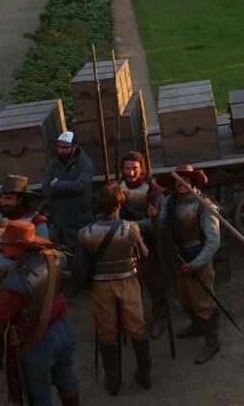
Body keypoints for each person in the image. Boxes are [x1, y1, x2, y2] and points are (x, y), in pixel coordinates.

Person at [0, 220, 79, 406]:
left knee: (38, 394)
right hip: (63, 328)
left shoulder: (16, 283)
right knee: (66, 380)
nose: (1, 247)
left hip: (38, 340)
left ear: (20, 247)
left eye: (6, 244)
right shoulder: (54, 257)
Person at [0, 174, 49, 381]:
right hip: (1, 278)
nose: (3, 202)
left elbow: (41, 255)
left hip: (29, 279)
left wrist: (9, 267)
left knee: (31, 323)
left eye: (9, 198)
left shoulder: (37, 222)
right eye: (2, 198)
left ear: (20, 199)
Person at [73, 181, 152, 395]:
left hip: (101, 286)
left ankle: (113, 381)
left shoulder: (85, 233)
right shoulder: (131, 228)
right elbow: (144, 254)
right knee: (137, 327)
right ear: (120, 205)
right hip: (127, 282)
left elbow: (79, 269)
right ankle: (145, 375)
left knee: (106, 332)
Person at [163, 164, 222, 364]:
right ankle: (196, 326)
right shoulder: (170, 202)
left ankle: (212, 342)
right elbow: (161, 223)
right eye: (177, 180)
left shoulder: (203, 206)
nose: (180, 184)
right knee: (186, 298)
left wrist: (196, 264)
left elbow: (213, 241)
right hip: (178, 257)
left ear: (192, 182)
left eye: (185, 180)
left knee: (204, 301)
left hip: (198, 260)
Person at [119, 151, 169, 337]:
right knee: (129, 283)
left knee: (153, 280)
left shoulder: (152, 190)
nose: (131, 173)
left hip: (149, 240)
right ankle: (134, 320)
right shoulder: (119, 189)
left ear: (142, 169)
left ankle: (160, 316)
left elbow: (162, 222)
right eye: (127, 169)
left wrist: (141, 224)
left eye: (134, 169)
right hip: (124, 241)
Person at [41, 131, 94, 252]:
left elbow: (80, 186)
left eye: (65, 147)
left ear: (74, 147)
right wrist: (69, 189)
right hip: (61, 224)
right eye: (59, 147)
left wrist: (57, 184)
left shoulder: (86, 163)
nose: (60, 150)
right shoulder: (52, 164)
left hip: (80, 223)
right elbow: (46, 190)